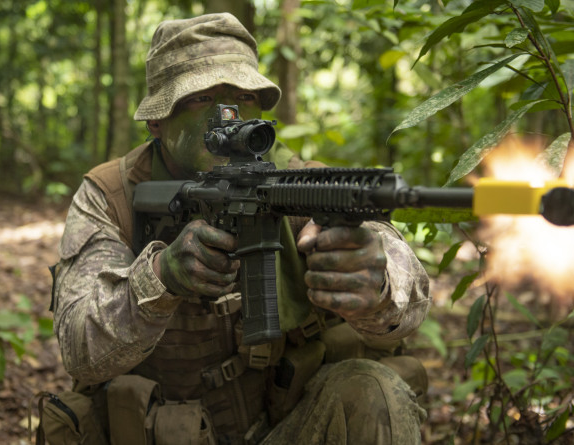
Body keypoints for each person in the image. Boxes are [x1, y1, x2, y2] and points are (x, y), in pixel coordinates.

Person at [45, 12, 431, 445]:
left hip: (287, 426)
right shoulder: (111, 195)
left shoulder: (303, 184)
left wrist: (375, 283)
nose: (226, 114)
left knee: (371, 389)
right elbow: (81, 351)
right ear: (157, 119)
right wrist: (161, 276)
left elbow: (410, 300)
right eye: (201, 97)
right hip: (162, 431)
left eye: (243, 96)